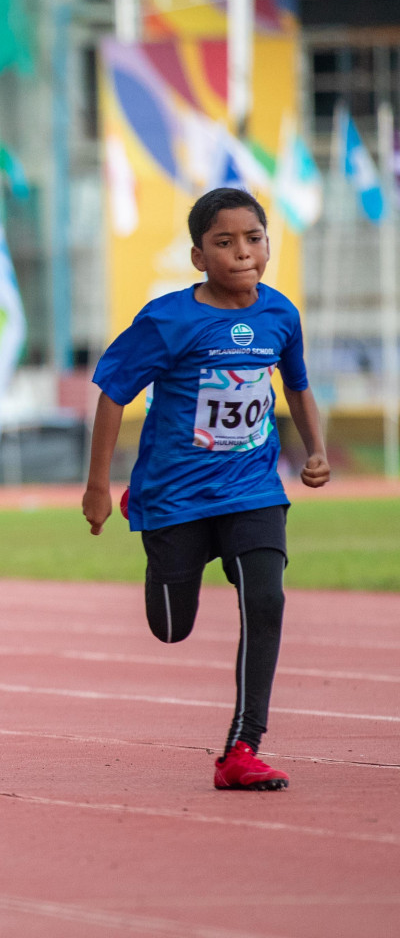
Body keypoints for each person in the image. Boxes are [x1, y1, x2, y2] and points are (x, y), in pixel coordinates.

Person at [83, 187, 328, 791]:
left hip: (252, 489)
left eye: (253, 239)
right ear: (198, 257)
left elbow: (296, 385)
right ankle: (148, 522)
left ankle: (242, 748)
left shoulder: (279, 315)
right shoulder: (169, 320)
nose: (242, 253)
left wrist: (315, 448)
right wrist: (97, 487)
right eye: (224, 242)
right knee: (171, 626)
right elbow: (114, 391)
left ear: (268, 244)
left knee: (266, 602)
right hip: (175, 498)